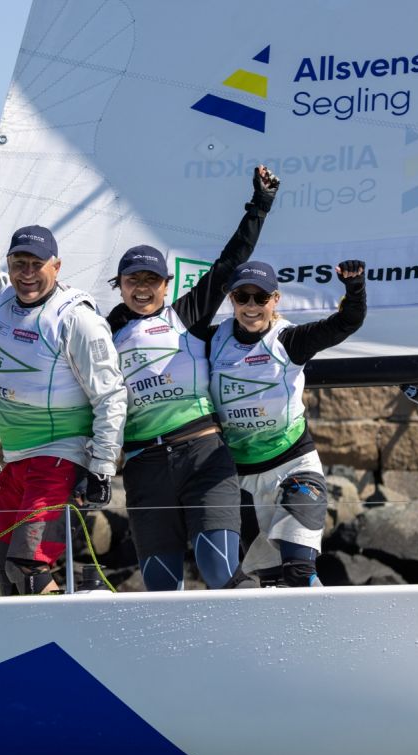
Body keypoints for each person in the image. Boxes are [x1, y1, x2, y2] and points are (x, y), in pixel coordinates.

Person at [0, 196, 126, 595]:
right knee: (2, 570)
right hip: (15, 459)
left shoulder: (76, 318)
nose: (27, 274)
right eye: (19, 263)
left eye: (37, 265)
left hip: (59, 456)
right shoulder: (0, 294)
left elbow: (111, 395)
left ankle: (67, 638)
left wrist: (102, 468)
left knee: (29, 566)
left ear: (56, 267)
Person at [106, 166, 279, 591]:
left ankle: (252, 648)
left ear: (166, 285)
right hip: (144, 467)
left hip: (202, 455)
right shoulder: (103, 333)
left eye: (151, 280)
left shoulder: (185, 314)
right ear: (121, 285)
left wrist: (260, 204)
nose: (142, 288)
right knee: (161, 586)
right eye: (133, 281)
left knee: (219, 568)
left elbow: (229, 264)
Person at [208, 259, 366, 588]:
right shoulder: (212, 341)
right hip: (241, 482)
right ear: (232, 300)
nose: (252, 306)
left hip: (293, 469)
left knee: (298, 573)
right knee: (263, 582)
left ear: (275, 300)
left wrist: (355, 287)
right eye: (242, 297)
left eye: (261, 298)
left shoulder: (289, 340)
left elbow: (346, 323)